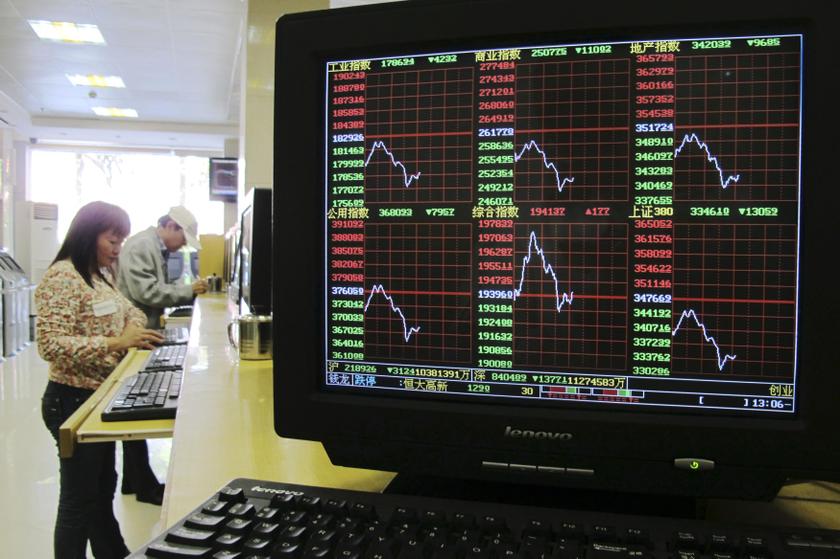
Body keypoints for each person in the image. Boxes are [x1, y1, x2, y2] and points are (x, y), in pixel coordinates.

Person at [37, 201, 164, 559]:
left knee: (101, 490)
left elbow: (133, 310)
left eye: (121, 240)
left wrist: (131, 328)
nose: (117, 247)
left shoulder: (99, 276)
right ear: (88, 235)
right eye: (112, 239)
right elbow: (50, 344)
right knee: (79, 502)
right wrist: (116, 342)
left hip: (96, 400)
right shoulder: (63, 277)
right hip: (71, 401)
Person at [115, 206, 208, 505]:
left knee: (135, 404)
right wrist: (188, 292)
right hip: (135, 334)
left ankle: (134, 480)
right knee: (134, 408)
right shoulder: (142, 246)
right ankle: (143, 485)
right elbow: (147, 293)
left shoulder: (152, 247)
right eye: (182, 238)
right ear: (170, 226)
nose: (182, 245)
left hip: (145, 331)